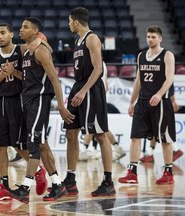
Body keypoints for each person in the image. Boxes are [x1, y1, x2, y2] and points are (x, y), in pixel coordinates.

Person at [7, 17, 75, 204]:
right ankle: (58, 185)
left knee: (34, 145)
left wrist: (61, 105)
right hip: (29, 100)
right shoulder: (28, 52)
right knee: (42, 144)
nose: (21, 29)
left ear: (35, 32)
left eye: (25, 27)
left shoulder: (41, 51)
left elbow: (55, 79)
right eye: (21, 26)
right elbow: (28, 77)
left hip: (40, 101)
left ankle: (24, 188)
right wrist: (14, 72)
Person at [0, 23, 51, 201]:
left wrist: (14, 72)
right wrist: (3, 74)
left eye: (3, 33)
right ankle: (3, 186)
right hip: (0, 103)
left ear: (11, 34)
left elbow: (27, 76)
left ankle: (38, 170)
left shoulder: (21, 50)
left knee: (18, 145)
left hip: (18, 101)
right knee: (0, 146)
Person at [63, 7, 115, 197]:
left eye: (70, 21)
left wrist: (84, 91)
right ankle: (70, 179)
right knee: (70, 132)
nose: (68, 24)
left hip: (91, 89)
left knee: (100, 134)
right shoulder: (77, 41)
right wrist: (77, 90)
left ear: (76, 21)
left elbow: (98, 69)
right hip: (79, 86)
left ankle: (108, 181)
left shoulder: (92, 38)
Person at [118, 25, 176, 185]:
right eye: (148, 36)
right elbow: (138, 80)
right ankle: (132, 172)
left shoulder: (167, 55)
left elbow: (169, 78)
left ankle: (168, 172)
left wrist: (159, 94)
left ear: (160, 38)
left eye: (153, 37)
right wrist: (131, 102)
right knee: (135, 137)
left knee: (165, 139)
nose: (150, 39)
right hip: (142, 102)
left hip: (161, 102)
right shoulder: (141, 56)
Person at [79, 62, 126, 162]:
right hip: (99, 97)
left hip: (95, 97)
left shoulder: (95, 63)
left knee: (92, 125)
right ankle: (117, 148)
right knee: (98, 127)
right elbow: (106, 87)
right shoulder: (101, 63)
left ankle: (84, 149)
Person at [139, 95, 183, 162]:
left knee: (160, 130)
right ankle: (150, 154)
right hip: (155, 103)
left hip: (161, 104)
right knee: (155, 130)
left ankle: (176, 150)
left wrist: (173, 101)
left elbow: (168, 87)